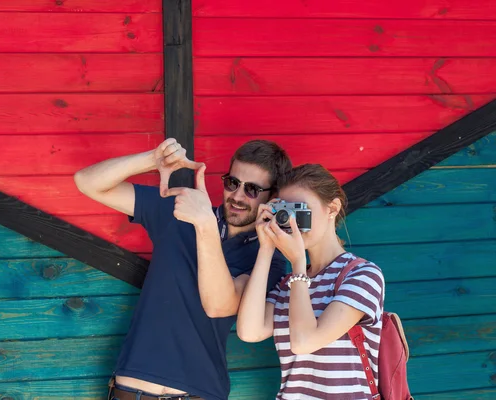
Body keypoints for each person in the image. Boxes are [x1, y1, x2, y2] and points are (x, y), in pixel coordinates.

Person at [74, 138, 292, 400]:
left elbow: (220, 306)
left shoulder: (268, 257)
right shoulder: (179, 211)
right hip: (131, 391)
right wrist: (151, 160)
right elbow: (87, 182)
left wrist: (205, 225)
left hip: (198, 394)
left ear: (273, 197)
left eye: (252, 190)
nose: (237, 196)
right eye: (232, 183)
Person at [236, 164, 385, 400]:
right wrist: (266, 248)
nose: (293, 221)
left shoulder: (362, 275)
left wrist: (297, 263)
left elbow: (304, 341)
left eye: (301, 210)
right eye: (286, 211)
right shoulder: (289, 285)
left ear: (332, 208)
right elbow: (249, 331)